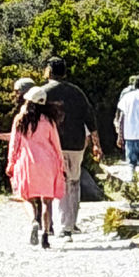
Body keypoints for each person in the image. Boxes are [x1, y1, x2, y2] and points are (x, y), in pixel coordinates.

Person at [35, 56, 101, 241]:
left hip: (52, 144)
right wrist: (96, 143)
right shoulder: (76, 92)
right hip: (76, 143)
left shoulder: (43, 92)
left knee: (58, 183)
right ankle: (69, 224)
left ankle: (58, 225)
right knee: (74, 182)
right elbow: (90, 117)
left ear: (49, 71)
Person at [7, 86, 67, 248]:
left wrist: (11, 162)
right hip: (48, 163)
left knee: (26, 197)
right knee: (47, 201)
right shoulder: (49, 121)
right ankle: (45, 235)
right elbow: (56, 145)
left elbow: (14, 144)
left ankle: (34, 221)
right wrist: (61, 165)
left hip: (26, 163)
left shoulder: (20, 120)